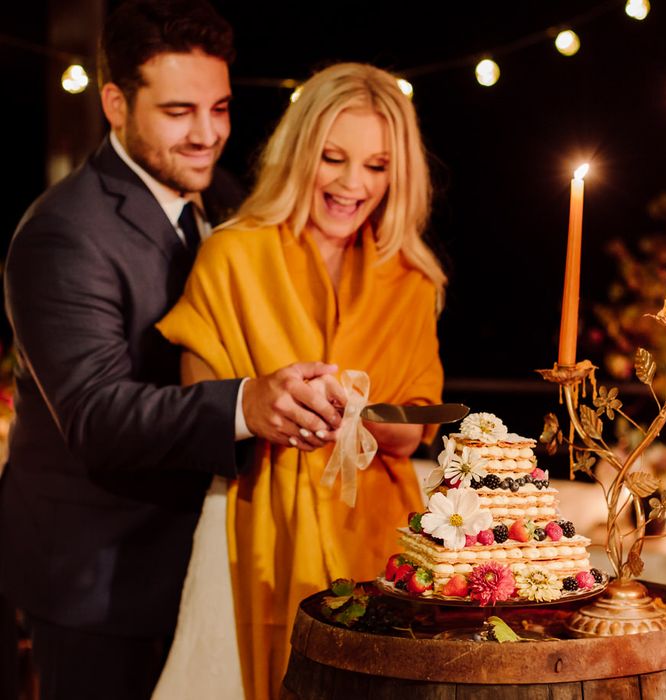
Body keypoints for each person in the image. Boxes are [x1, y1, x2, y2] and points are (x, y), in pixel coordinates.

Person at [0, 2, 341, 698]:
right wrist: (249, 403)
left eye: (219, 108)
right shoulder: (62, 233)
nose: (208, 134)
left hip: (207, 560)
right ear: (116, 104)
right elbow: (97, 415)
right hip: (99, 581)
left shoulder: (224, 197)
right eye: (180, 111)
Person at [156, 62, 446, 699]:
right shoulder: (231, 255)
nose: (351, 184)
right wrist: (266, 403)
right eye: (333, 158)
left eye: (376, 165)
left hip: (382, 538)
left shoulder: (413, 280)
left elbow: (422, 418)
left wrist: (374, 421)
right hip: (254, 528)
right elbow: (193, 408)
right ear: (298, 152)